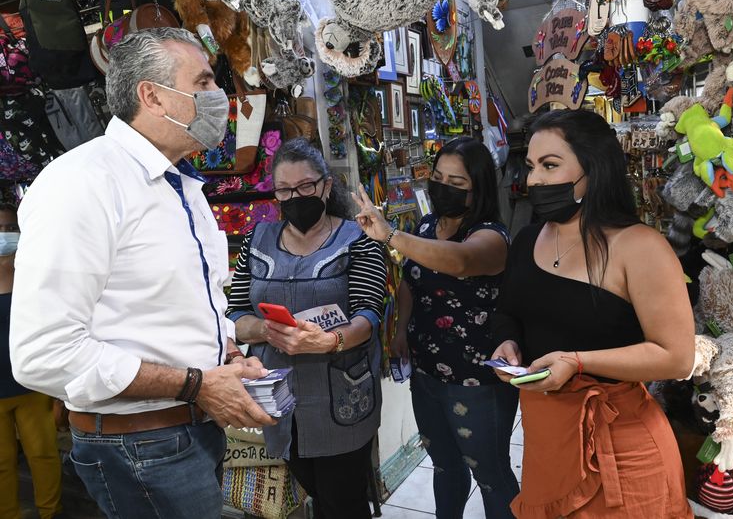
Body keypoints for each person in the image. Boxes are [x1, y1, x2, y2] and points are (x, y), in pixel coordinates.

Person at [9, 28, 276, 519]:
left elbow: (180, 308)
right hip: (141, 447)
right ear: (151, 95)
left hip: (191, 432)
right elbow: (42, 354)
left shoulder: (183, 186)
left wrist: (228, 357)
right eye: (202, 82)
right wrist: (197, 383)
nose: (218, 97)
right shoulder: (83, 183)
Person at [490, 110, 695, 518]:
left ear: (593, 169)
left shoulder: (639, 247)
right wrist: (508, 344)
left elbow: (677, 356)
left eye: (550, 165)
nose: (533, 180)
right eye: (531, 167)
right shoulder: (528, 238)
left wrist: (578, 362)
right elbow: (510, 311)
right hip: (547, 440)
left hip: (621, 446)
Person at [353, 137, 520, 519]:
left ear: (477, 189)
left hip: (478, 379)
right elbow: (413, 283)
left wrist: (391, 235)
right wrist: (400, 331)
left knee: (491, 473)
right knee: (444, 465)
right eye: (439, 177)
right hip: (426, 371)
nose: (444, 187)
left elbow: (459, 262)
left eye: (457, 183)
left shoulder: (492, 236)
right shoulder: (427, 226)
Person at [226, 137, 387, 519]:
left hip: (341, 396)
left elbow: (368, 315)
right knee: (311, 488)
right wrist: (267, 332)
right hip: (280, 397)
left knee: (342, 501)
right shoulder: (257, 238)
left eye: (305, 187)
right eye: (284, 189)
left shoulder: (358, 237)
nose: (295, 196)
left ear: (326, 186)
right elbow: (235, 312)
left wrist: (329, 341)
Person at [0, 203, 63, 519]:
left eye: (10, 228)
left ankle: (50, 513)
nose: (5, 235)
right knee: (1, 463)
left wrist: (58, 392)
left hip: (33, 386)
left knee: (44, 455)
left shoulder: (33, 276)